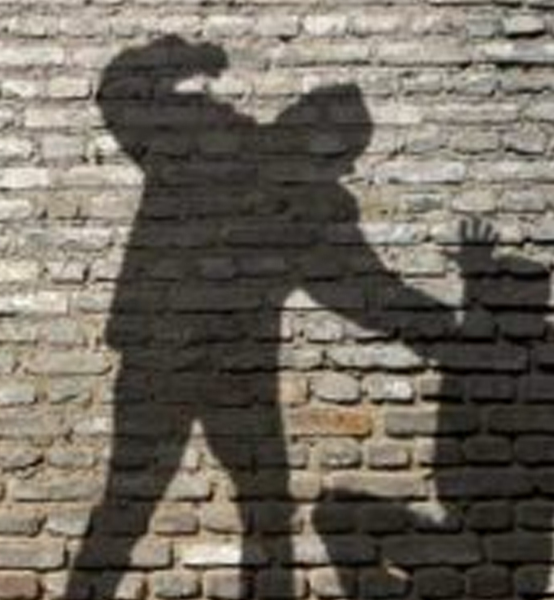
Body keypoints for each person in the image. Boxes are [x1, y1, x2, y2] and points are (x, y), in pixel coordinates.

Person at [65, 35, 543, 599]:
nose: (342, 164)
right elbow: (373, 297)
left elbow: (372, 295)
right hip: (200, 367)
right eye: (341, 153)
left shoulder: (242, 159)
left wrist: (461, 327)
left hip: (202, 367)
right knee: (244, 508)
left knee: (208, 506)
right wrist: (466, 327)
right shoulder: (223, 146)